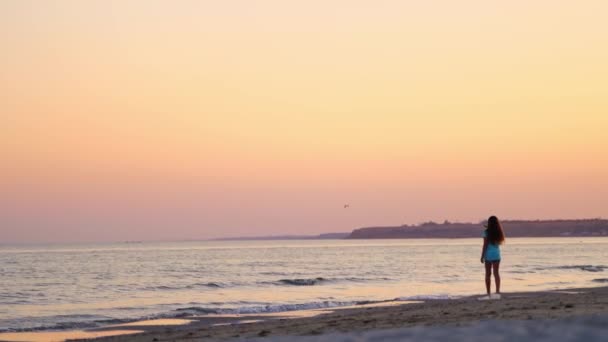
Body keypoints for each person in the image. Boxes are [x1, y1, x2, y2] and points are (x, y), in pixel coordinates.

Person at [480, 216, 505, 296]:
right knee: (496, 273)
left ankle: (488, 292)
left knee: (488, 274)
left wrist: (482, 256)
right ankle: (497, 291)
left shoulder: (486, 232)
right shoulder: (499, 232)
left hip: (488, 255)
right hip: (497, 255)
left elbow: (485, 245)